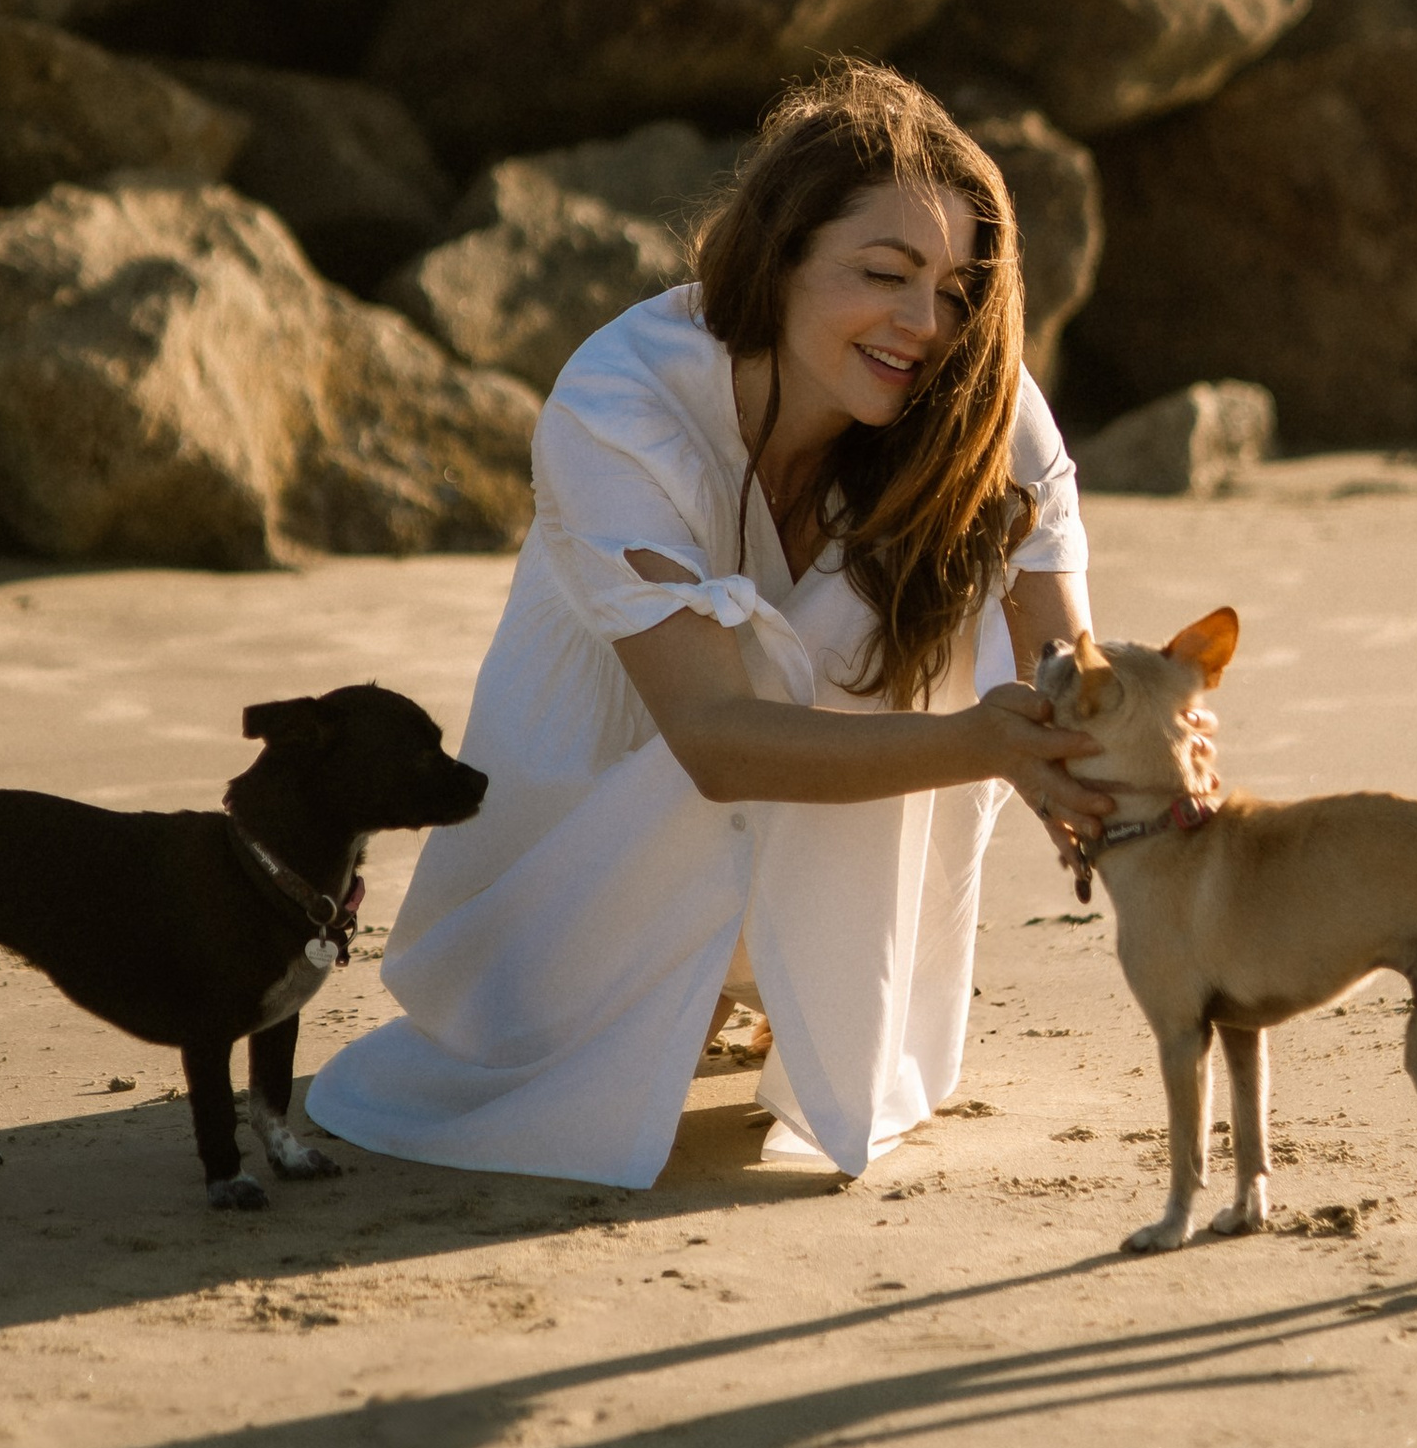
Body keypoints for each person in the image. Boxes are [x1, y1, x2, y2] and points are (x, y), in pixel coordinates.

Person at [308, 61, 1114, 1189]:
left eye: (955, 289)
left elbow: (1071, 670)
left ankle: (782, 991)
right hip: (586, 871)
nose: (926, 324)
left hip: (831, 894)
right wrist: (990, 739)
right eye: (884, 273)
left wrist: (1112, 767)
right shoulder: (621, 401)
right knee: (774, 670)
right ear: (778, 256)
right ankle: (690, 989)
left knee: (950, 552)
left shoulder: (978, 402)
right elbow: (716, 738)